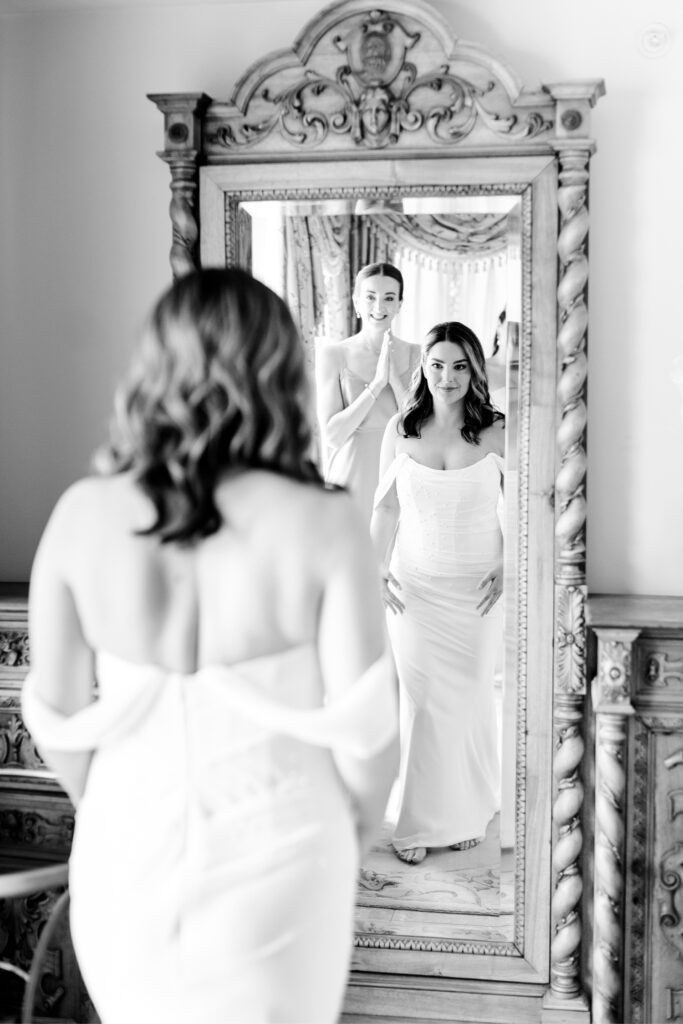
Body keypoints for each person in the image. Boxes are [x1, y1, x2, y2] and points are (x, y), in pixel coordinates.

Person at [21, 267, 398, 1024]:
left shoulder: (80, 518)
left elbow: (56, 724)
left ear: (154, 370)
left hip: (123, 851)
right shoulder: (321, 525)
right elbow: (367, 739)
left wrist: (123, 805)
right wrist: (340, 835)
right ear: (279, 373)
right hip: (285, 853)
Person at [370, 320, 505, 866]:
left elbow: (528, 507)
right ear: (422, 368)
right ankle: (420, 823)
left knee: (470, 699)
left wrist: (509, 560)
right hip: (415, 590)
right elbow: (386, 507)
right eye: (436, 364)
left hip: (478, 593)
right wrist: (373, 565)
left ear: (474, 370)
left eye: (458, 365)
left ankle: (471, 808)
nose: (447, 377)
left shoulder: (499, 430)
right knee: (425, 706)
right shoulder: (400, 429)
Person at [315, 262, 419, 522]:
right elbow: (332, 435)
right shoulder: (333, 355)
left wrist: (394, 380)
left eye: (389, 298)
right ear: (356, 301)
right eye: (370, 297)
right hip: (351, 477)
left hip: (402, 477)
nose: (379, 307)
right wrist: (375, 385)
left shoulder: (418, 354)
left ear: (399, 305)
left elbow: (420, 428)